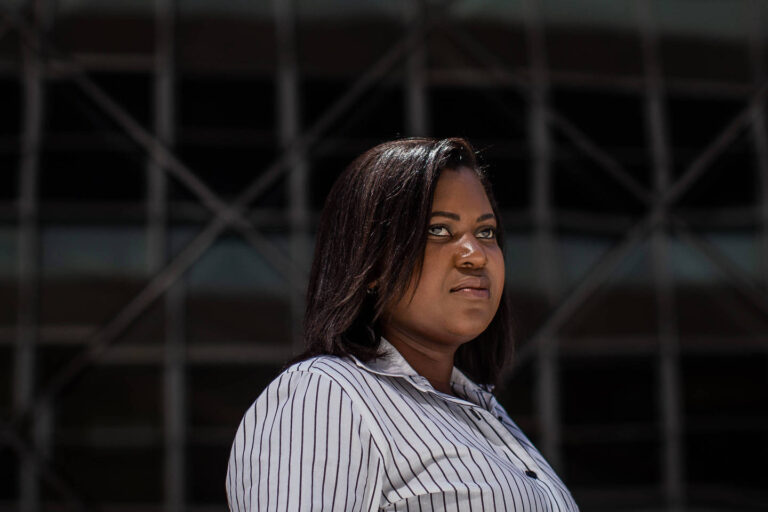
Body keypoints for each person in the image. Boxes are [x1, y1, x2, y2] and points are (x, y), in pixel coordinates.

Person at [226, 137, 578, 511]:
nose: (475, 255)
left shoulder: (485, 409)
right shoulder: (327, 394)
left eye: (486, 232)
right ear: (371, 265)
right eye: (439, 230)